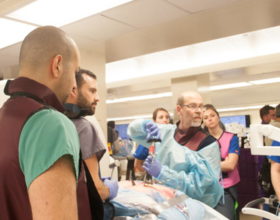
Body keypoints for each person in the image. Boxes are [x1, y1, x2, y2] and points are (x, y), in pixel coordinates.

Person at [0, 26, 81, 219]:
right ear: (58, 65)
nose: (74, 85)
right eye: (75, 73)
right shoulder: (51, 124)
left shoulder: (4, 116)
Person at [128, 91, 223, 208]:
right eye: (192, 106)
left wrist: (163, 173)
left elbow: (203, 187)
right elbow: (134, 132)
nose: (199, 110)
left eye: (201, 106)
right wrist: (144, 124)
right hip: (162, 195)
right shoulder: (166, 132)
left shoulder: (208, 144)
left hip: (189, 204)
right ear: (179, 110)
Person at [65, 69, 119, 218]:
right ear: (74, 90)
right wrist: (111, 189)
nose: (98, 98)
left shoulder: (54, 123)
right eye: (92, 91)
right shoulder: (84, 127)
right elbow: (97, 191)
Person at [203, 104, 240, 220]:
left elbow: (230, 165)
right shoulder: (201, 141)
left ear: (218, 117)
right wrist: (222, 162)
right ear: (203, 122)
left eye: (212, 115)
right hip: (207, 188)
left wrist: (207, 163)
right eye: (205, 117)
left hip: (226, 189)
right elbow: (198, 165)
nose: (209, 119)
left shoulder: (231, 138)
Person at [133, 107, 170, 178]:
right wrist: (146, 177)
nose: (165, 120)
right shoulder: (148, 140)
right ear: (154, 121)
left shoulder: (171, 139)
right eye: (161, 117)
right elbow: (138, 164)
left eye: (167, 117)